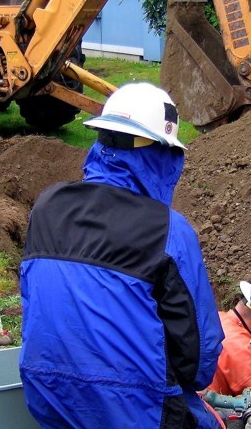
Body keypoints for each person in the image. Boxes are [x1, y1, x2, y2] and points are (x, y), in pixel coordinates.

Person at [19, 82, 225, 429]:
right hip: (136, 409)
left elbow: (36, 303)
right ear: (164, 155)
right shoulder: (169, 231)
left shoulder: (46, 205)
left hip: (49, 397)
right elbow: (198, 359)